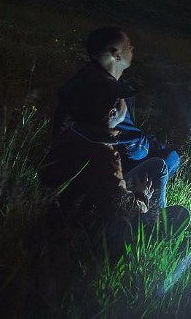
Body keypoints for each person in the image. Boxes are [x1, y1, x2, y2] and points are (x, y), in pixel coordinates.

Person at [39, 73, 189, 250]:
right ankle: (150, 229)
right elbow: (120, 206)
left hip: (63, 214)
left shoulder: (72, 134)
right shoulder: (105, 154)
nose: (127, 107)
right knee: (160, 167)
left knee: (158, 164)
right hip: (91, 230)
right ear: (112, 112)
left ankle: (153, 220)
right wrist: (141, 196)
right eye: (124, 103)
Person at [52, 27, 180, 210]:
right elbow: (120, 199)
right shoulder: (104, 95)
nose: (132, 48)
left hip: (75, 178)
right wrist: (141, 197)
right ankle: (154, 223)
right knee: (166, 161)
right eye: (128, 45)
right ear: (116, 54)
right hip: (94, 198)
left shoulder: (81, 83)